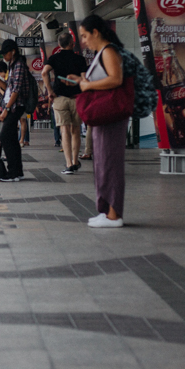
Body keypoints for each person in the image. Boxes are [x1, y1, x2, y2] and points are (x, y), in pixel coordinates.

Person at [65, 15, 128, 228]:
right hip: (104, 116)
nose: (83, 41)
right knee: (103, 162)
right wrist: (82, 81)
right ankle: (106, 210)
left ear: (96, 33)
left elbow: (115, 79)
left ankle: (114, 215)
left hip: (111, 116)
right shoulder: (102, 52)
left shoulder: (109, 51)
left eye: (84, 35)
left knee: (110, 163)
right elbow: (104, 81)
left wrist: (88, 86)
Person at [43, 32, 88, 174]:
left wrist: (50, 90)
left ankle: (68, 164)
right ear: (72, 43)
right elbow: (84, 79)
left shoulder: (54, 58)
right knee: (76, 130)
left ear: (59, 45)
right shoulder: (80, 59)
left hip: (60, 98)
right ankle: (75, 161)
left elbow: (44, 72)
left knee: (64, 130)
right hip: (76, 98)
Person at [0, 39, 34, 182]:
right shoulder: (13, 65)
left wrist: (6, 109)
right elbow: (8, 87)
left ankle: (13, 172)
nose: (3, 57)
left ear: (12, 51)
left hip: (16, 106)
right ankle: (17, 172)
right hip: (12, 106)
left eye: (5, 53)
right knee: (11, 138)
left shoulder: (18, 65)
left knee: (5, 136)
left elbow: (16, 90)